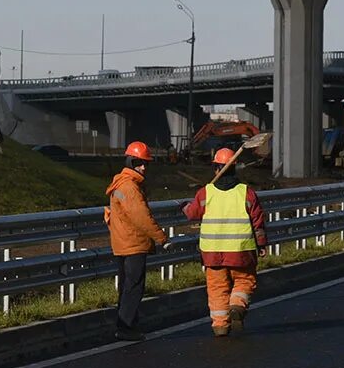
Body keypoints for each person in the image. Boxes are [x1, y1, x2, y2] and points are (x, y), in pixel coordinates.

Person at [183, 147, 268, 337]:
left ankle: (220, 325)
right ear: (234, 168)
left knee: (217, 289)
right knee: (244, 281)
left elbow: (192, 214)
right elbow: (258, 221)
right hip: (241, 252)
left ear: (216, 168)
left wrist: (185, 206)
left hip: (212, 254)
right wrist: (261, 244)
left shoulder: (205, 193)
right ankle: (237, 305)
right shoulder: (246, 193)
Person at [105, 141, 170, 341]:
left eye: (146, 163)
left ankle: (126, 324)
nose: (143, 167)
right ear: (131, 162)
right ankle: (126, 327)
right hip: (134, 243)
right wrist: (161, 237)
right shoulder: (130, 187)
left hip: (122, 243)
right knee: (134, 287)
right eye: (139, 163)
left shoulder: (120, 183)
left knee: (127, 286)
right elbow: (142, 217)